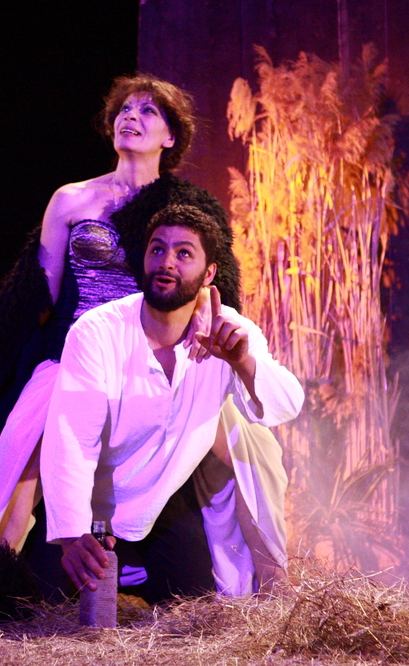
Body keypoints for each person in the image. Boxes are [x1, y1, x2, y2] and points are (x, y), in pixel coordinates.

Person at [0, 74, 288, 599]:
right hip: (79, 352)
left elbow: (212, 285)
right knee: (27, 453)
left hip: (157, 351)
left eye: (149, 111)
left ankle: (275, 593)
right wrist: (16, 372)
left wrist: (206, 325)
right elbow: (38, 295)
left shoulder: (185, 206)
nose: (132, 117)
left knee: (251, 451)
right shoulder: (71, 199)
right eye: (125, 109)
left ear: (170, 137)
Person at [42, 206, 304, 597]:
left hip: (160, 507)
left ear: (209, 274)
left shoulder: (228, 331)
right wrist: (71, 533)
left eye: (184, 253)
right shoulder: (97, 332)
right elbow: (73, 440)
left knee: (193, 598)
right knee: (44, 601)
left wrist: (242, 361)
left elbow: (286, 405)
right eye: (157, 249)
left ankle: (270, 584)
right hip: (92, 514)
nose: (167, 262)